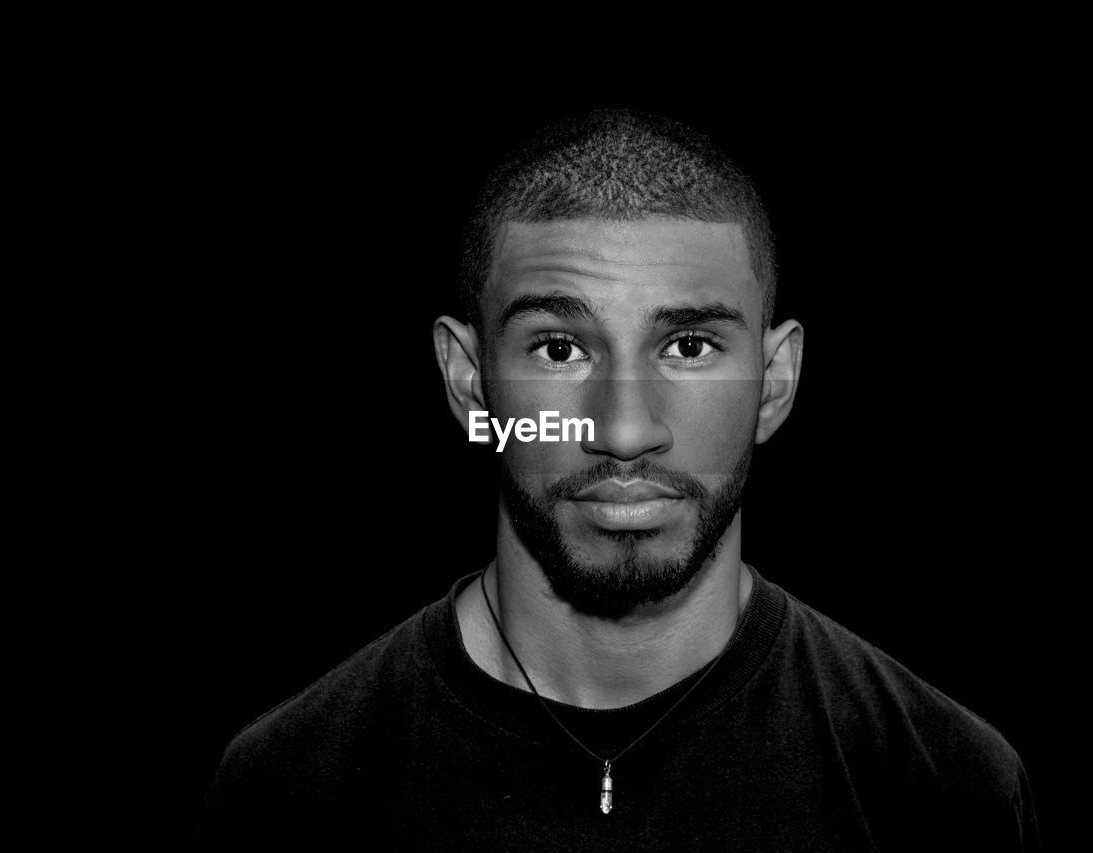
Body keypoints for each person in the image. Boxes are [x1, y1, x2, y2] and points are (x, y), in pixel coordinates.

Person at [200, 109, 1041, 851]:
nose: (624, 430)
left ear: (775, 382)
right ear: (467, 381)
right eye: (559, 349)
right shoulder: (291, 791)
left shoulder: (943, 789)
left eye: (690, 346)